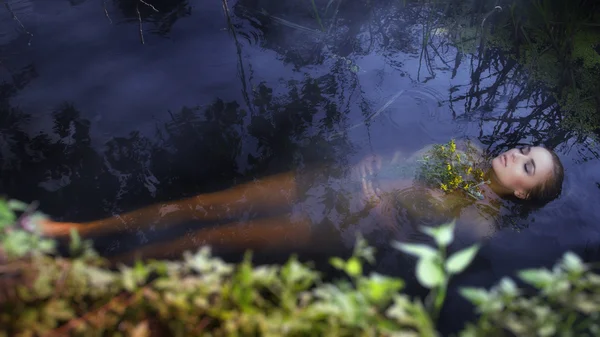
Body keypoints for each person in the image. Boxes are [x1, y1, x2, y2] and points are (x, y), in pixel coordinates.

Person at [39, 138, 564, 263]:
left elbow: (434, 245)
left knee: (214, 236)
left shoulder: (484, 222)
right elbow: (403, 157)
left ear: (523, 191)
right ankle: (78, 231)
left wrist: (401, 205)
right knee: (201, 203)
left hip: (342, 224)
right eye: (523, 149)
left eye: (528, 164)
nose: (517, 155)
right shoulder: (466, 149)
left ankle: (104, 271)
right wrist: (374, 167)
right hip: (330, 183)